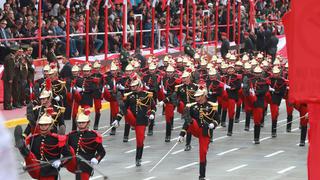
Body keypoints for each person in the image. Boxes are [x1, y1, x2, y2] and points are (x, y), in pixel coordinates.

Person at [178, 82, 220, 180]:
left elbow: (218, 119)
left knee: (203, 153)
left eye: (198, 96)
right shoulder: (192, 106)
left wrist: (213, 124)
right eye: (195, 97)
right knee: (190, 120)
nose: (196, 98)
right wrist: (182, 134)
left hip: (205, 131)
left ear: (203, 96)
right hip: (195, 128)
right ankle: (190, 120)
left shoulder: (211, 106)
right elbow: (186, 124)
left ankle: (202, 176)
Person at [113, 74, 156, 166]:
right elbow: (123, 110)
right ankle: (119, 105)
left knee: (140, 141)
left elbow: (153, 107)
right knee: (125, 108)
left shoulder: (147, 95)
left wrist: (152, 114)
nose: (132, 87)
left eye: (134, 86)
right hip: (132, 119)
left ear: (139, 85)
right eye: (131, 86)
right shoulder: (129, 96)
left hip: (141, 121)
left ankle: (138, 158)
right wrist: (117, 119)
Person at [14, 113, 72, 180]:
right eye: (41, 125)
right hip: (37, 168)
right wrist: (26, 163)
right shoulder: (34, 138)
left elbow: (68, 155)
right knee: (28, 155)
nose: (43, 127)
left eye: (45, 125)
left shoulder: (57, 139)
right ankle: (22, 147)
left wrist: (60, 163)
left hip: (50, 171)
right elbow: (33, 156)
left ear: (51, 126)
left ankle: (23, 148)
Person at [66, 108, 106, 180]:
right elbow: (65, 149)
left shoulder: (93, 135)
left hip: (87, 164)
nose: (81, 124)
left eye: (83, 122)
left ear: (88, 123)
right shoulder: (72, 135)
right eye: (79, 123)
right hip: (75, 164)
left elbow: (102, 151)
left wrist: (96, 159)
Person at [2, 45, 19, 110]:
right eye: (17, 51)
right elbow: (10, 69)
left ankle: (9, 104)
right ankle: (7, 106)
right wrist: (10, 78)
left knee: (10, 91)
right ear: (15, 51)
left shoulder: (12, 57)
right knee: (8, 92)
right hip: (8, 77)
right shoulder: (10, 58)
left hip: (9, 76)